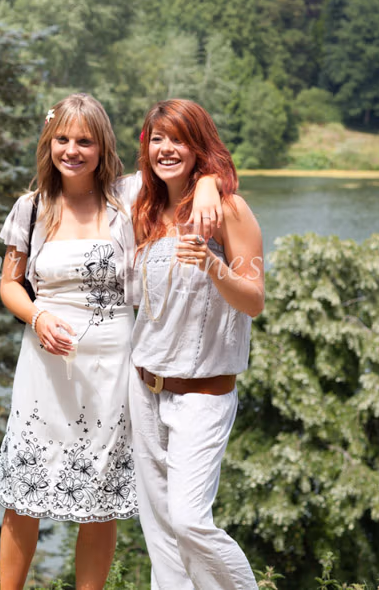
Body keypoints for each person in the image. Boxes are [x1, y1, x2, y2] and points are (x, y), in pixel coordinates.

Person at [0, 93, 138, 590]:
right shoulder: (30, 208)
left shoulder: (126, 207)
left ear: (103, 147)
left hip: (111, 368)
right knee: (24, 489)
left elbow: (196, 166)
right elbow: (9, 285)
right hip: (43, 366)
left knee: (98, 493)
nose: (72, 150)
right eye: (63, 139)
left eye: (84, 141)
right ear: (48, 142)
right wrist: (37, 316)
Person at [129, 99, 263, 590]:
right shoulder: (144, 205)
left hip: (203, 393)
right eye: (157, 139)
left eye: (178, 139)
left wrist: (211, 263)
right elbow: (81, 173)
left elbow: (253, 301)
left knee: (188, 521)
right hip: (143, 388)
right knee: (161, 533)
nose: (166, 149)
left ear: (198, 144)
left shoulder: (228, 209)